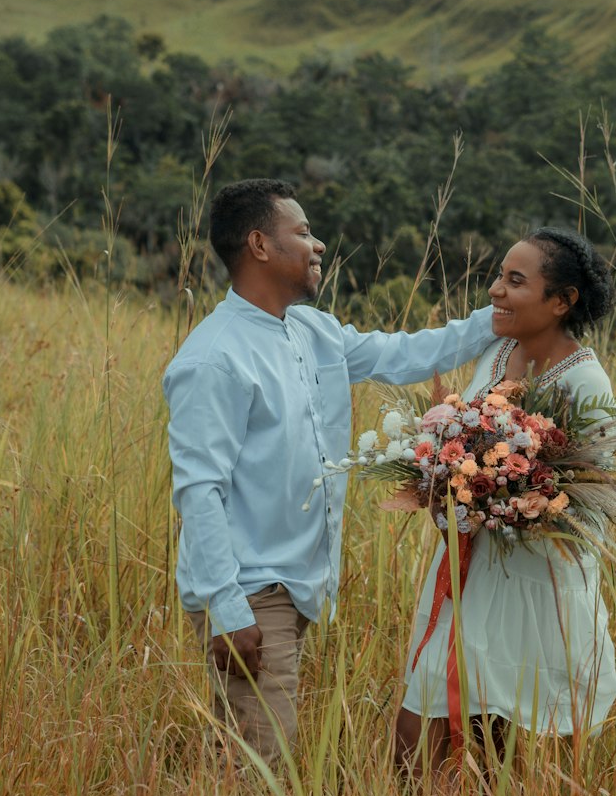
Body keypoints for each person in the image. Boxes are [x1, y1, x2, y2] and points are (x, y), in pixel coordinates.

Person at [163, 177, 496, 765]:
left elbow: (408, 354)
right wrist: (227, 609)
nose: (318, 245)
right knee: (262, 765)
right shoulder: (214, 358)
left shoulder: (312, 331)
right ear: (260, 245)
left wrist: (499, 318)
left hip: (299, 584)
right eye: (305, 232)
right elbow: (199, 492)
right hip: (249, 588)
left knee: (252, 755)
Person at [395, 225, 616, 780]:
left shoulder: (586, 382)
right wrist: (444, 486)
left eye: (515, 281)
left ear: (562, 301)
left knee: (500, 741)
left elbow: (596, 499)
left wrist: (514, 501)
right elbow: (461, 441)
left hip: (533, 585)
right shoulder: (496, 352)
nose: (496, 290)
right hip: (469, 569)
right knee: (417, 732)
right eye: (499, 276)